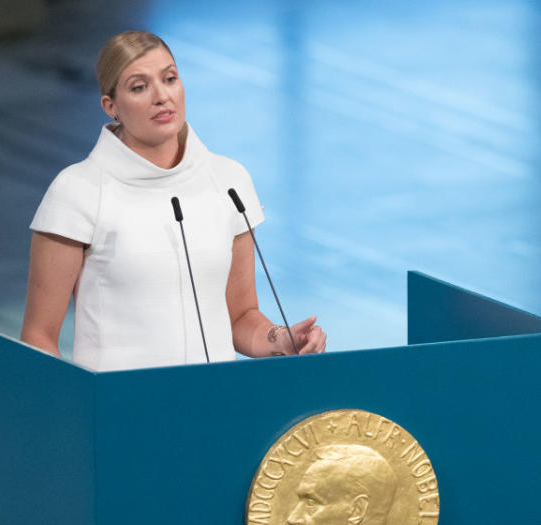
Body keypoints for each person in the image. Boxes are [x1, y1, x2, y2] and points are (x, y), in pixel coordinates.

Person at [20, 31, 326, 371]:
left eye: (170, 78)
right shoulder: (78, 191)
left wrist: (281, 340)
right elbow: (39, 336)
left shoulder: (229, 181)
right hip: (119, 413)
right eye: (139, 87)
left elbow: (239, 316)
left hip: (213, 406)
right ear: (112, 106)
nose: (162, 96)